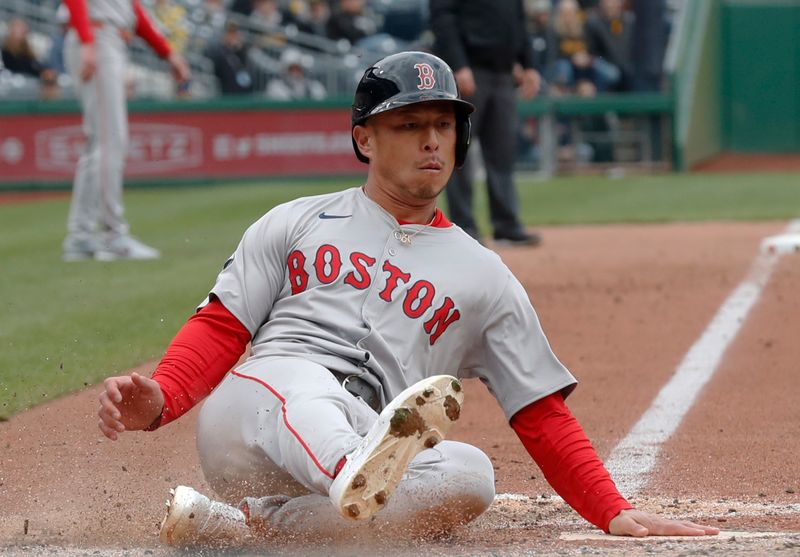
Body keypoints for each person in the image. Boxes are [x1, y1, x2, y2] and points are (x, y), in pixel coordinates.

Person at [96, 51, 720, 548]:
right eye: (410, 124)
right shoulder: (296, 221)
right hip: (256, 412)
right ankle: (352, 473)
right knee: (304, 385)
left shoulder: (485, 276)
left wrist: (613, 512)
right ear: (365, 140)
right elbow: (222, 325)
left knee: (469, 475)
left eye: (443, 126)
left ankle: (255, 526)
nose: (432, 141)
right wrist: (163, 399)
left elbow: (539, 412)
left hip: (368, 428)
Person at [61, 0, 191, 261]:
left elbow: (133, 11)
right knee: (110, 141)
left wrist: (168, 53)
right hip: (98, 36)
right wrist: (88, 40)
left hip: (108, 37)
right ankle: (113, 236)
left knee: (100, 143)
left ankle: (81, 237)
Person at [430, 0, 542, 246]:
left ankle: (506, 224)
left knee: (503, 153)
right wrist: (458, 64)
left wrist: (530, 64)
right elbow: (443, 19)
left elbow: (518, 22)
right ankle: (464, 227)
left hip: (503, 74)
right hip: (470, 70)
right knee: (459, 153)